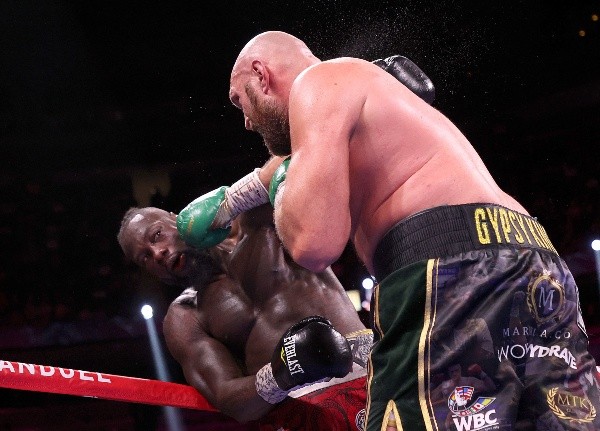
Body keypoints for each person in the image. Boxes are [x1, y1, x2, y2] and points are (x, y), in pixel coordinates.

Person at [222, 31, 600, 431]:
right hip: (537, 265)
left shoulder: (316, 81)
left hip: (451, 272)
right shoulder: (368, 97)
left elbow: (313, 243)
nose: (246, 121)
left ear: (261, 75)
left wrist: (282, 185)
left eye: (238, 100)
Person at [117, 158, 373, 430]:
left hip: (370, 379)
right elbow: (228, 398)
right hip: (297, 414)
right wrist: (282, 372)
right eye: (145, 258)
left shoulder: (260, 224)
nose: (158, 253)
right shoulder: (184, 317)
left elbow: (298, 159)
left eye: (157, 235)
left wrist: (229, 201)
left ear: (175, 218)